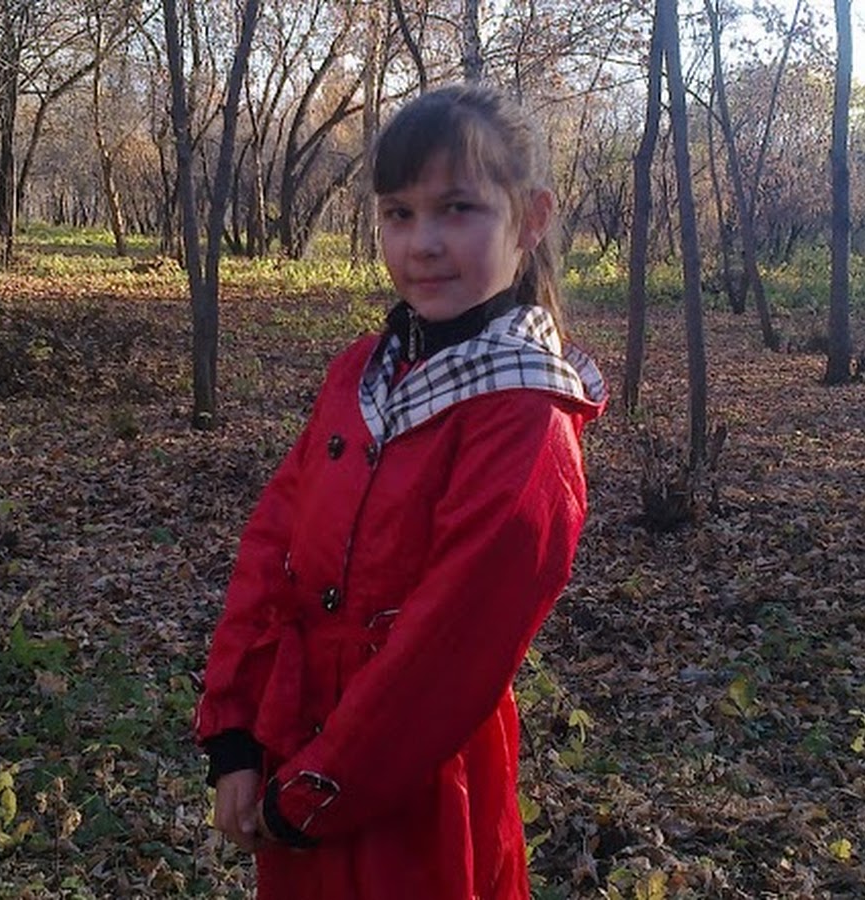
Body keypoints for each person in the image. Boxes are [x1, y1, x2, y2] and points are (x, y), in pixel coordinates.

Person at [195, 83, 607, 900]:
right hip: (293, 740)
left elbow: (446, 652)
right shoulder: (362, 371)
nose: (423, 244)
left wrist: (316, 789)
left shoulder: (525, 416)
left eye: (457, 208)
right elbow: (272, 549)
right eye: (399, 213)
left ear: (530, 218)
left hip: (418, 787)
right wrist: (236, 734)